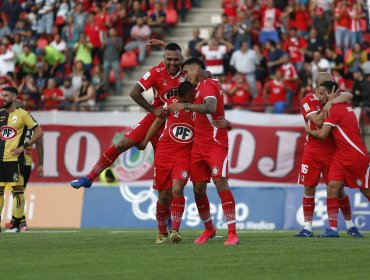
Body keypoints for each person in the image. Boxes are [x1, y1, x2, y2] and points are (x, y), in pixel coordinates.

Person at [70, 43, 185, 189]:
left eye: (176, 60)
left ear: (181, 59)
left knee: (166, 176)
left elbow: (201, 72)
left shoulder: (187, 72)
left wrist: (164, 44)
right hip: (155, 117)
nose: (172, 63)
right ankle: (89, 178)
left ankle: (168, 210)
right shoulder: (156, 71)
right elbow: (134, 92)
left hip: (176, 123)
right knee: (121, 144)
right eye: (169, 59)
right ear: (163, 59)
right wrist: (153, 109)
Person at [168, 58, 239, 246]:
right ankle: (209, 229)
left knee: (220, 183)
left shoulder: (207, 85)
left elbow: (211, 107)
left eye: (187, 72)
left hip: (215, 143)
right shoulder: (199, 85)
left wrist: (185, 106)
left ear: (196, 69)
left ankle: (232, 233)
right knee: (198, 190)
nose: (185, 76)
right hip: (198, 146)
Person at [296, 72, 360, 238]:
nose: (333, 87)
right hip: (312, 149)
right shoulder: (307, 101)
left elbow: (349, 95)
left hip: (332, 150)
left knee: (338, 189)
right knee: (309, 187)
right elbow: (317, 121)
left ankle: (350, 225)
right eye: (328, 83)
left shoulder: (332, 97)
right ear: (318, 86)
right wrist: (330, 105)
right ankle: (308, 228)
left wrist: (331, 102)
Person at [0, 86, 43, 232]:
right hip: (1, 160)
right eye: (2, 95)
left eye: (6, 96)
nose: (3, 98)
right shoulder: (0, 114)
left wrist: (23, 146)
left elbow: (39, 133)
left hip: (16, 160)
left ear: (13, 98)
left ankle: (17, 224)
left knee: (17, 191)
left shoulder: (23, 115)